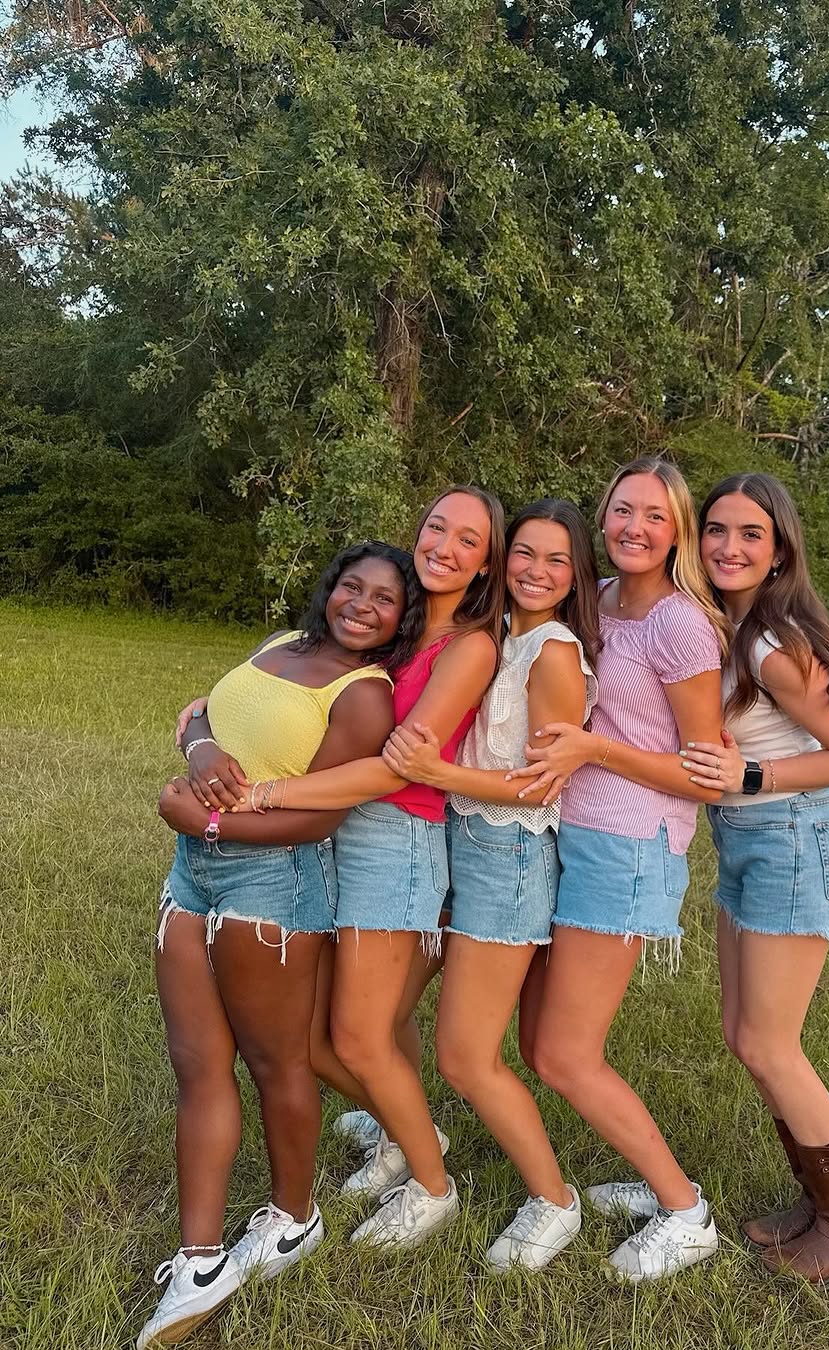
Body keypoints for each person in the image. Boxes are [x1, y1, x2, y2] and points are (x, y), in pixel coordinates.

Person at [140, 542, 422, 1350]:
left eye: (384, 599)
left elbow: (321, 817)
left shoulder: (363, 694)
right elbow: (207, 713)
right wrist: (198, 749)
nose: (362, 605)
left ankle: (294, 1217)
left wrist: (211, 822)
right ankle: (199, 1263)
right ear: (329, 588)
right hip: (192, 871)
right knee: (198, 1063)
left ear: (401, 620)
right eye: (352, 586)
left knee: (276, 1062)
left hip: (273, 883)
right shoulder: (282, 645)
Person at [237, 487, 504, 1252]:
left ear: (486, 564)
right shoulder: (396, 629)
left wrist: (267, 794)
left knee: (352, 1039)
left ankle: (433, 1184)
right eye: (436, 528)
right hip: (335, 832)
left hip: (395, 843)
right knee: (338, 1032)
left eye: (468, 540)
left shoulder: (469, 647)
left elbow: (397, 768)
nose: (445, 546)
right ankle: (402, 1134)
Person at [504, 457, 732, 1282]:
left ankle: (685, 1213)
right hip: (565, 834)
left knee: (567, 1054)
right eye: (623, 511)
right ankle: (662, 1186)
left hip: (630, 849)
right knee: (540, 1044)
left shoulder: (681, 625)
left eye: (655, 516)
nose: (635, 527)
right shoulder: (593, 601)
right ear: (602, 518)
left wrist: (595, 749)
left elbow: (704, 774)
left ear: (677, 533)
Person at [381, 499, 600, 1270]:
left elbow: (542, 786)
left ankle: (554, 1200)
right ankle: (401, 1131)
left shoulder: (554, 653)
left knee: (467, 1057)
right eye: (526, 554)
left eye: (557, 560)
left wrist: (436, 772)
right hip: (455, 841)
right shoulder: (498, 634)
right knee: (387, 1010)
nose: (536, 571)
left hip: (508, 858)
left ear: (576, 576)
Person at [680, 471, 829, 1283]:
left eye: (750, 535)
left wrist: (751, 775)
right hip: (748, 841)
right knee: (743, 1036)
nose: (728, 547)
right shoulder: (725, 627)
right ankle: (817, 1201)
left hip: (796, 838)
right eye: (717, 529)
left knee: (769, 1043)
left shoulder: (773, 642)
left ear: (778, 553)